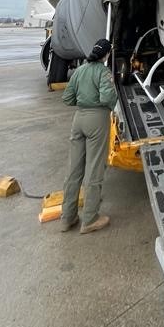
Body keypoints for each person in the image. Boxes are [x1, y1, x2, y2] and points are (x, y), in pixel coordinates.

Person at [60, 38, 117, 234]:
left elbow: (67, 98)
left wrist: (83, 101)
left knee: (74, 170)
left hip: (78, 120)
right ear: (107, 54)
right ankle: (90, 219)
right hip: (97, 120)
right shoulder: (103, 72)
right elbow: (107, 97)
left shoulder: (79, 70)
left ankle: (67, 218)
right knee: (95, 169)